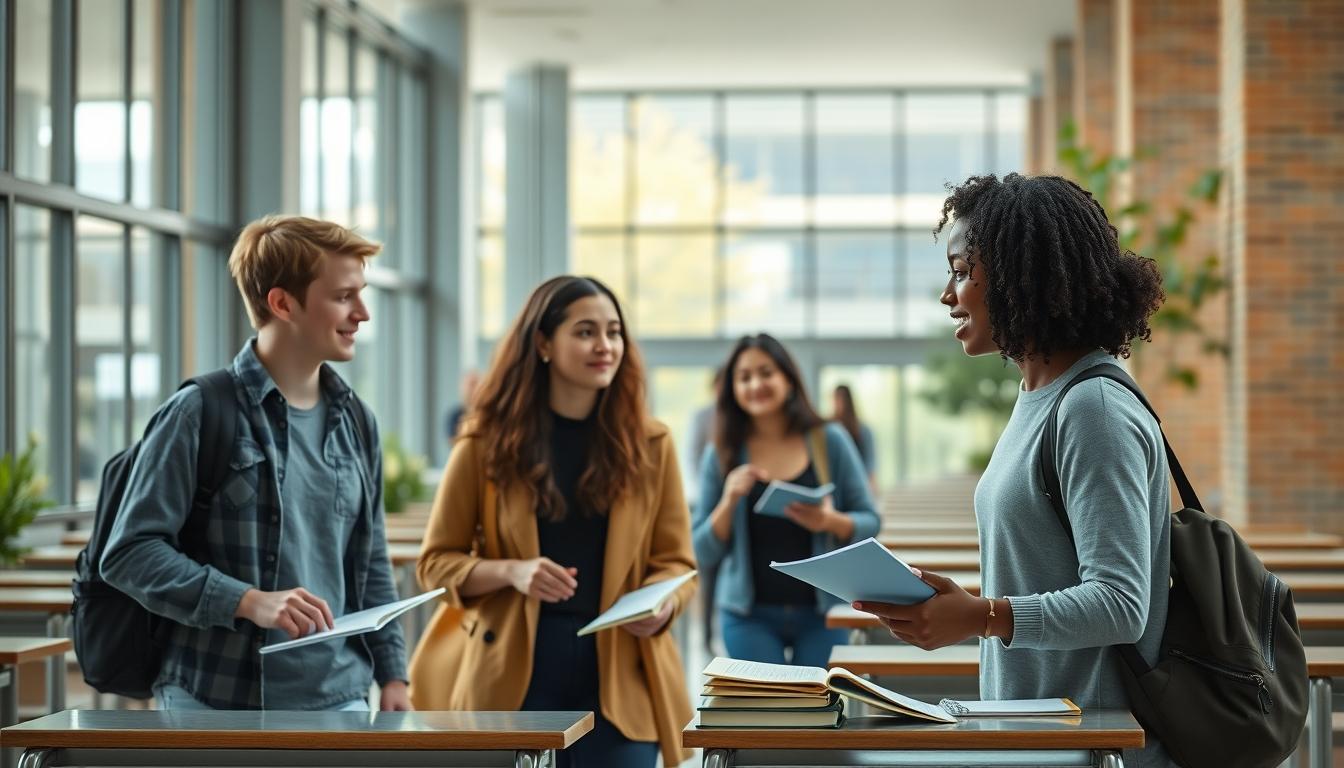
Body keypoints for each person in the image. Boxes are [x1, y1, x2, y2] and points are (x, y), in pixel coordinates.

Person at [854, 173, 1174, 767]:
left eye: (959, 271)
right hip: (1036, 729)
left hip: (1091, 741)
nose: (947, 296)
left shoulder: (1091, 408)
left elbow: (1120, 603)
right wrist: (968, 609)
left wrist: (980, 615)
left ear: (1017, 274)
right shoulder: (1041, 397)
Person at [101, 215, 410, 711]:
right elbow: (129, 553)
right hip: (215, 698)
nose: (363, 314)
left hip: (340, 696)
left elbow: (368, 560)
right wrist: (248, 600)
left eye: (361, 293)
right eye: (343, 296)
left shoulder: (358, 421)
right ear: (283, 303)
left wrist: (394, 675)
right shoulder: (198, 412)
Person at [410, 276, 695, 768]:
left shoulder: (653, 445)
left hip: (619, 672)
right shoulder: (483, 444)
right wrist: (512, 572)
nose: (604, 346)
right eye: (585, 332)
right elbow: (436, 563)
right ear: (543, 342)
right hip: (514, 673)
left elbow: (676, 563)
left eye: (613, 332)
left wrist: (664, 604)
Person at [693, 334, 879, 668]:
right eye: (744, 377)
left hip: (823, 614)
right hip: (748, 617)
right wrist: (729, 499)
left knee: (820, 715)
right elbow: (702, 550)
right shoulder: (721, 453)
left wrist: (829, 521)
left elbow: (870, 520)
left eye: (766, 373)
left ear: (788, 379)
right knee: (766, 718)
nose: (756, 384)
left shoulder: (828, 440)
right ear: (732, 389)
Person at [831, 384, 877, 494]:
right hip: (835, 484)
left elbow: (870, 462)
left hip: (858, 484)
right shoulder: (830, 428)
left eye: (839, 399)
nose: (836, 403)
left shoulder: (863, 430)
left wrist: (871, 485)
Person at [444, 369, 479, 444]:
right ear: (462, 387)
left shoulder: (486, 413)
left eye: (476, 384)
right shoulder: (454, 415)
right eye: (471, 385)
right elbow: (452, 440)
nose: (474, 389)